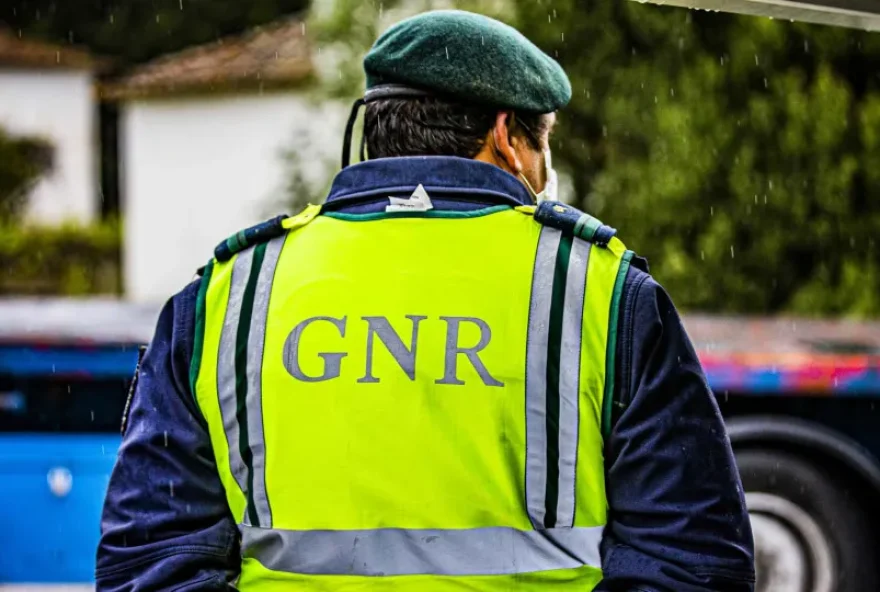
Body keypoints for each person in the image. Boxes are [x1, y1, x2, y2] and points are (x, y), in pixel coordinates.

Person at [97, 9, 755, 591]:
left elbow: (150, 560)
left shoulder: (229, 295)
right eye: (544, 140)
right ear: (507, 136)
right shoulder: (602, 292)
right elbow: (691, 561)